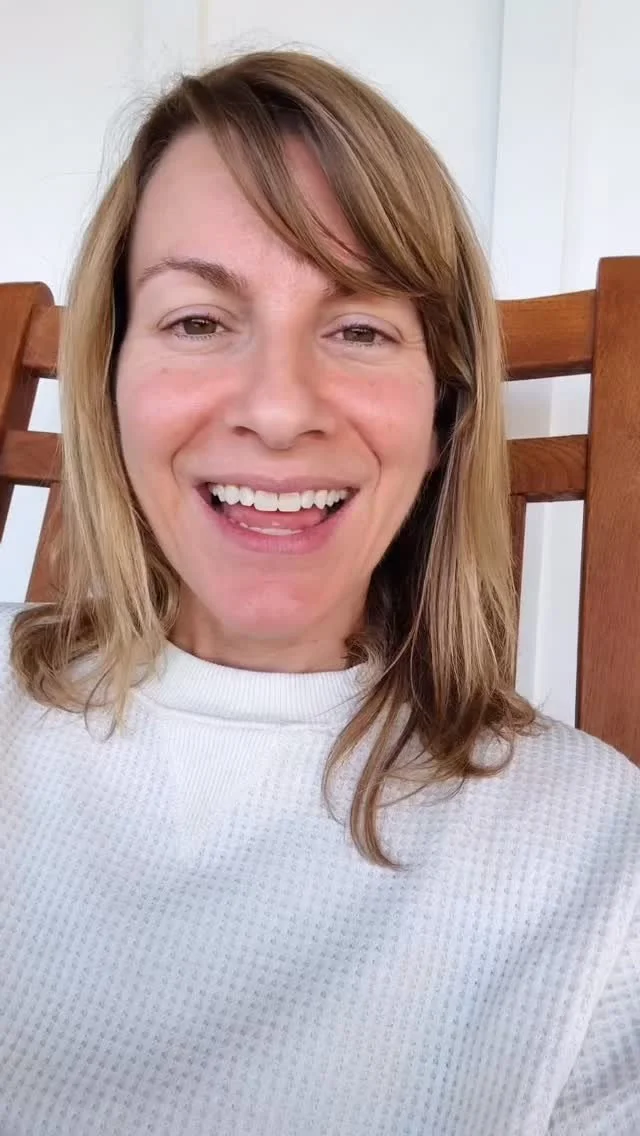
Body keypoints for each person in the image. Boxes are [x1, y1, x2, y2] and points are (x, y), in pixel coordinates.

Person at [1, 49, 638, 1136]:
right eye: (198, 320)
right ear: (108, 379)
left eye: (358, 329)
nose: (279, 408)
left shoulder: (598, 865)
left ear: (443, 411)